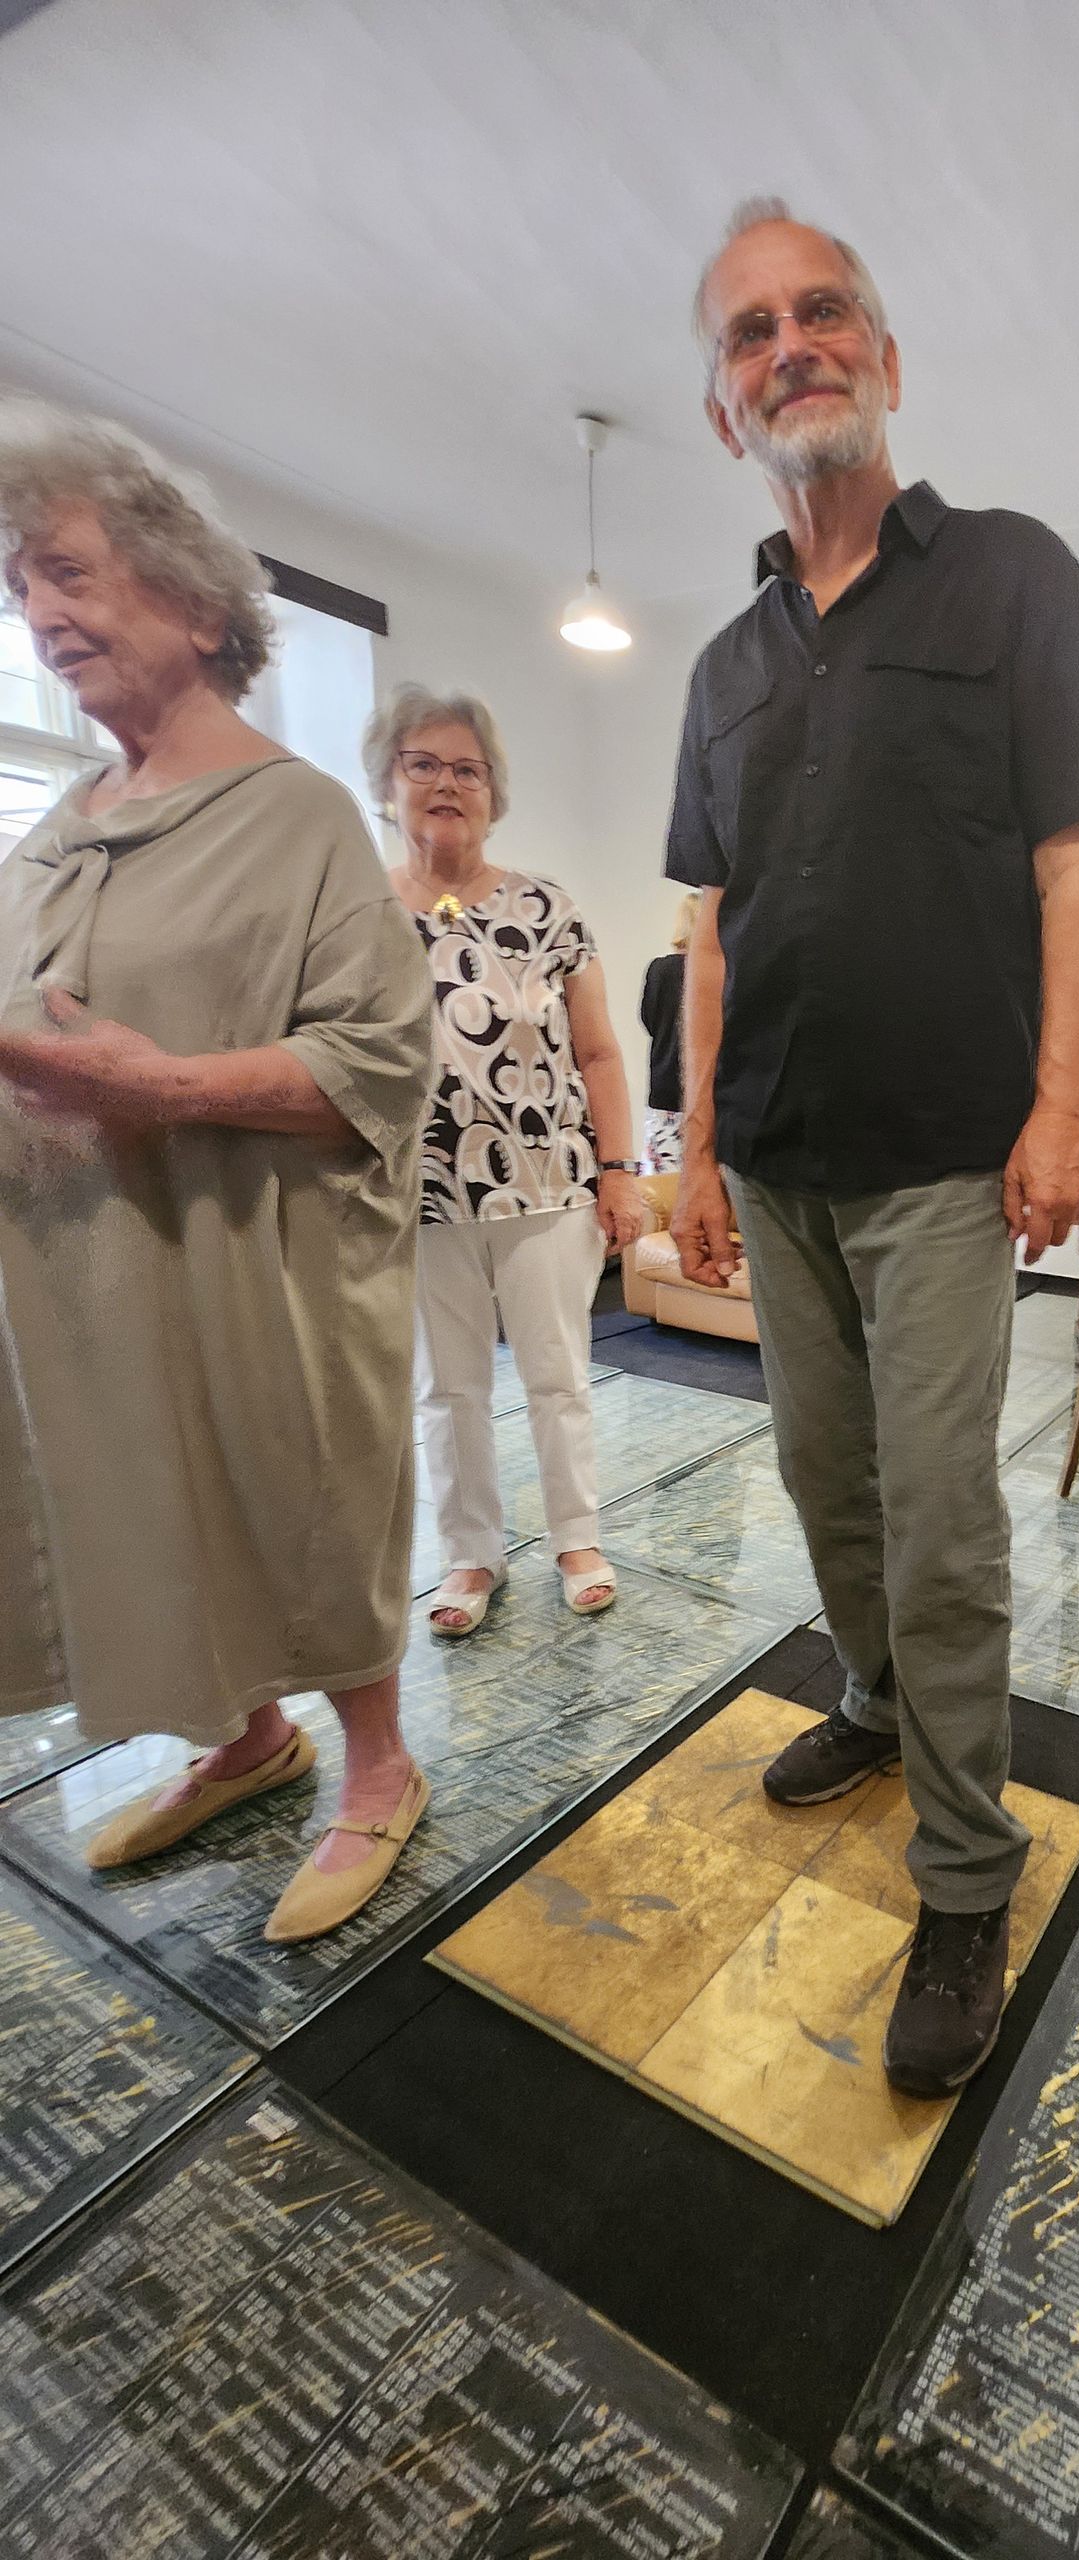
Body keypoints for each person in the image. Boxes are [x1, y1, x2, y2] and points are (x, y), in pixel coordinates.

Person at [667, 199, 1079, 2097]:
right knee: (826, 1482)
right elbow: (709, 928)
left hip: (948, 1152)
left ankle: (966, 1873)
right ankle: (871, 1702)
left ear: (884, 353)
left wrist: (1062, 1106)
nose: (792, 345)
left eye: (823, 311)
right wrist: (691, 1146)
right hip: (773, 1154)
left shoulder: (1011, 576)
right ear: (723, 406)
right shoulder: (723, 664)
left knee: (942, 1516)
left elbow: (1072, 860)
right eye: (751, 331)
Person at [0, 401, 435, 1944]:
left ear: (192, 600)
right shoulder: (56, 832)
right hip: (99, 1267)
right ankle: (246, 1739)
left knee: (296, 1490)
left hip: (267, 1261)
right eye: (21, 584)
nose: (40, 613)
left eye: (68, 571)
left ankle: (378, 1764)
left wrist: (159, 1087)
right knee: (154, 1489)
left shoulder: (296, 815)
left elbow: (384, 1063)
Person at [369, 684, 648, 1636]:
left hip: (548, 1183)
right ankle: (470, 1553)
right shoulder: (358, 914)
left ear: (495, 793)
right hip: (413, 1192)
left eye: (469, 769)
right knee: (445, 1388)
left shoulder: (547, 908)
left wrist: (620, 1171)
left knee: (557, 1374)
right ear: (388, 782)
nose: (447, 784)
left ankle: (577, 1537)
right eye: (424, 764)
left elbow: (599, 1053)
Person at [638, 890, 698, 1170]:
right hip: (707, 1096)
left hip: (663, 1092)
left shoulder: (659, 970)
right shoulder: (721, 972)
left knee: (662, 1183)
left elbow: (648, 1021)